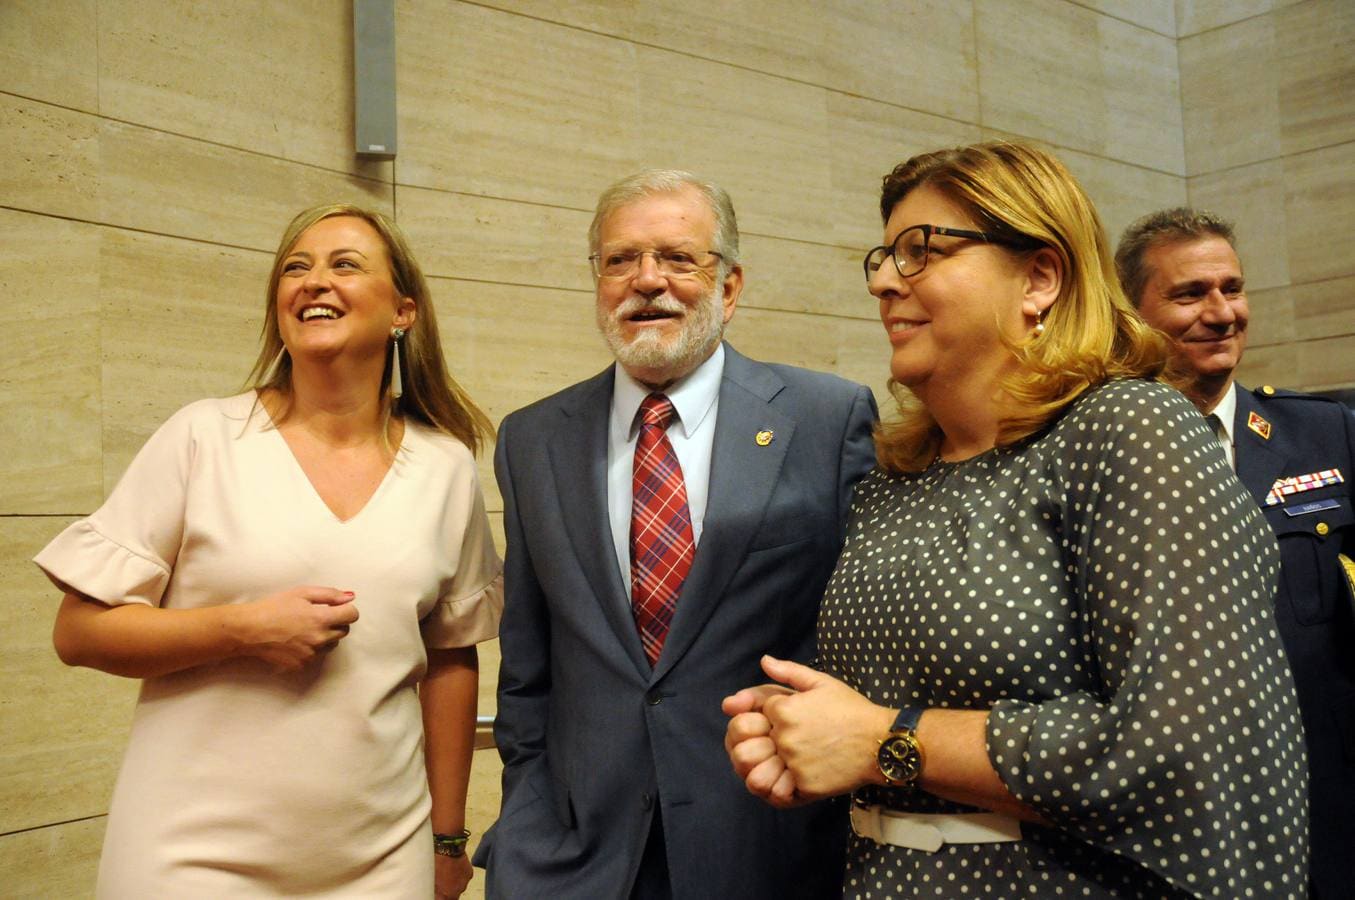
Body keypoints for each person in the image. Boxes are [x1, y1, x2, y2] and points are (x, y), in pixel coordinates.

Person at [723, 143, 1309, 898]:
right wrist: (797, 735)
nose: (880, 280)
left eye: (919, 251)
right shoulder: (895, 479)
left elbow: (1184, 750)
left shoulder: (1128, 430)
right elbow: (868, 716)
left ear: (1038, 277)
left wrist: (885, 742)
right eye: (882, 255)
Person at [36, 204, 502, 899]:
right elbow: (78, 633)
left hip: (381, 859)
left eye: (343, 265)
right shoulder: (203, 437)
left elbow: (449, 657)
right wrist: (241, 629)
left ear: (402, 311)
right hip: (190, 854)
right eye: (295, 268)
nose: (313, 282)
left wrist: (446, 836)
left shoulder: (445, 467)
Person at [473, 169, 878, 899]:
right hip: (577, 861)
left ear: (727, 286)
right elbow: (528, 666)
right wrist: (523, 824)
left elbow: (858, 644)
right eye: (619, 259)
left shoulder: (827, 419)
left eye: (677, 259)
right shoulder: (532, 439)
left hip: (767, 849)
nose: (646, 280)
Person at [1116, 207, 1355, 898]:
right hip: (1168, 809)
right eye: (1189, 294)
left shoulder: (1325, 435)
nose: (1221, 313)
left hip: (1325, 800)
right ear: (1132, 314)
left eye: (1232, 288)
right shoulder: (1096, 456)